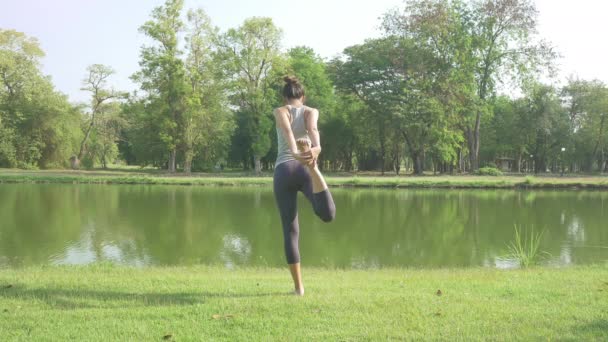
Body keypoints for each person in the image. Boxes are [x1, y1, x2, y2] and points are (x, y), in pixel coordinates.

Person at [273, 76, 336, 296]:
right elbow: (313, 130)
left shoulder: (281, 111)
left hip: (284, 169)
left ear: (285, 97)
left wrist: (295, 153)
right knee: (327, 215)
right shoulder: (312, 111)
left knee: (290, 231)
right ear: (303, 96)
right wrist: (314, 150)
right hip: (304, 166)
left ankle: (299, 288)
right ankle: (314, 168)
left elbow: (288, 133)